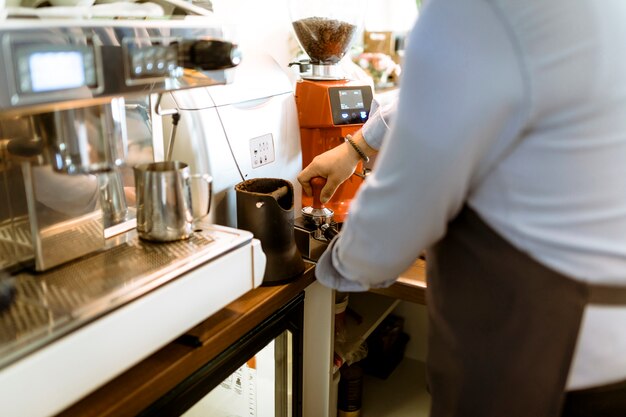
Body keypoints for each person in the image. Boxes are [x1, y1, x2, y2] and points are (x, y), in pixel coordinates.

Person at [298, 1, 626, 416]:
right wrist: (357, 146)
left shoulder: (472, 11)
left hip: (538, 362)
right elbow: (468, 85)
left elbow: (390, 231)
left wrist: (336, 266)